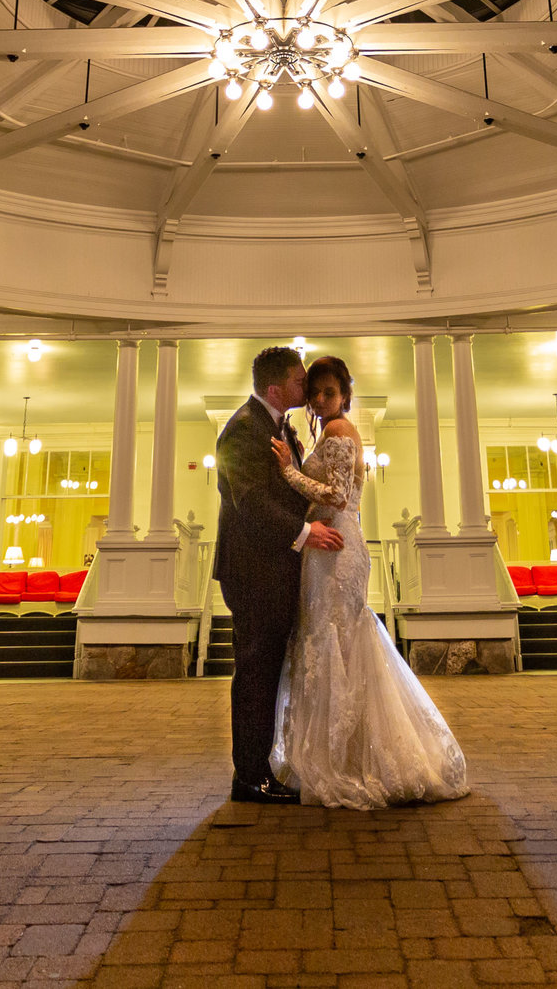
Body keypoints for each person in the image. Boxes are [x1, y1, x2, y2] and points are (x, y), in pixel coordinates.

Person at [268, 354, 469, 808]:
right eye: (315, 393)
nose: (319, 400)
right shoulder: (332, 430)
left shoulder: (339, 431)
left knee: (337, 640)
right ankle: (348, 753)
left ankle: (348, 760)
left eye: (329, 393)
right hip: (330, 545)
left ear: (345, 396)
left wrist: (288, 472)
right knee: (333, 639)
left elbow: (337, 494)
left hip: (336, 549)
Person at [214, 344, 343, 804]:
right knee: (254, 673)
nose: (304, 387)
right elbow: (249, 502)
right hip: (252, 570)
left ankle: (258, 767)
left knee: (267, 672)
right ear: (275, 387)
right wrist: (305, 531)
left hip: (273, 568)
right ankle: (249, 776)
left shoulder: (276, 426)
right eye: (297, 381)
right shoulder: (244, 430)